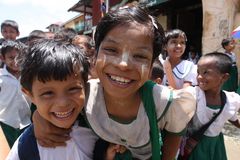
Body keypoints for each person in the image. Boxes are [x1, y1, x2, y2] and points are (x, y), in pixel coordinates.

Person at [32, 6, 196, 160]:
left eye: (140, 56)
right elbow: (56, 103)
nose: (123, 65)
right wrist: (38, 118)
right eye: (111, 50)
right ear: (95, 54)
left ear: (152, 64)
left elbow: (172, 141)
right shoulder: (85, 95)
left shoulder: (164, 102)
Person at [6, 39, 99, 160]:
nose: (63, 103)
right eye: (48, 93)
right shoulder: (26, 148)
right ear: (29, 95)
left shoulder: (99, 123)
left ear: (85, 86)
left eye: (73, 89)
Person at [179, 52, 240, 160]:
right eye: (198, 72)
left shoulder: (231, 100)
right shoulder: (194, 94)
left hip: (216, 146)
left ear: (224, 77)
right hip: (194, 146)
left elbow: (232, 117)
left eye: (206, 72)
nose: (199, 77)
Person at [0, 40, 31, 147]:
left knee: (24, 148)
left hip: (26, 121)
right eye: (11, 58)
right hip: (6, 122)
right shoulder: (1, 77)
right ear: (2, 58)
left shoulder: (28, 75)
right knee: (9, 149)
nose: (16, 61)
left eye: (19, 57)